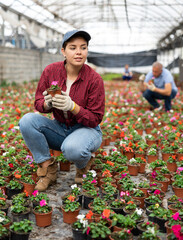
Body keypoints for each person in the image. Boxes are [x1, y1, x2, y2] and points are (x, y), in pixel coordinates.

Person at [19, 30, 105, 191]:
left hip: (87, 130)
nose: (79, 52)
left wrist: (73, 107)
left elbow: (95, 119)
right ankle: (48, 170)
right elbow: (38, 102)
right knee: (27, 121)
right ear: (63, 51)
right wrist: (47, 104)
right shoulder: (51, 71)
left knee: (73, 149)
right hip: (60, 127)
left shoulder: (94, 79)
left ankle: (83, 165)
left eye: (83, 47)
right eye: (73, 48)